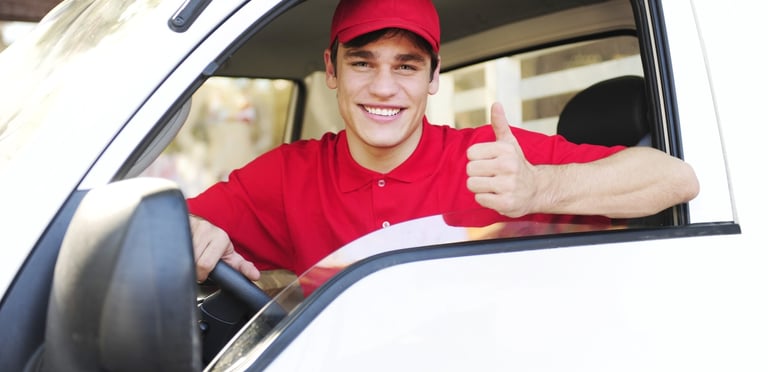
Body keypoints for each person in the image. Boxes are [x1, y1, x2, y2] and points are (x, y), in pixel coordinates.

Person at [187, 0, 699, 283]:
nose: (384, 87)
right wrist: (196, 235)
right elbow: (162, 228)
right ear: (331, 69)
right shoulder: (287, 175)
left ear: (434, 76)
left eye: (406, 66)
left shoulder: (493, 158)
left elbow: (676, 178)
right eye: (362, 62)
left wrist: (539, 188)